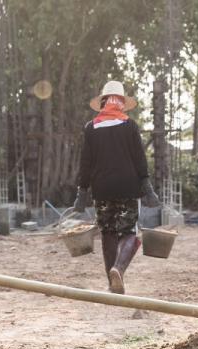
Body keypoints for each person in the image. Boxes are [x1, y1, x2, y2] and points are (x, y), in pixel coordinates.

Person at [73, 80, 161, 294]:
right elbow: (139, 159)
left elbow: (86, 162)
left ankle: (112, 285)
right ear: (121, 102)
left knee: (108, 233)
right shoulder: (129, 125)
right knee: (129, 231)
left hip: (102, 189)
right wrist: (148, 188)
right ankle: (118, 270)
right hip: (127, 187)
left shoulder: (91, 128)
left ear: (103, 102)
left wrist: (81, 192)